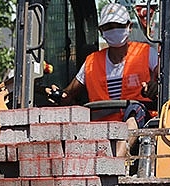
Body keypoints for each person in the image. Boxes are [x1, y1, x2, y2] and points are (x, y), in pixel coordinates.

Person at [48, 3, 159, 156]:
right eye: (108, 27)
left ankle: (115, 165)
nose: (113, 30)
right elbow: (69, 93)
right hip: (101, 127)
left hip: (139, 121)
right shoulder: (92, 62)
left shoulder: (146, 53)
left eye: (118, 25)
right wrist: (59, 95)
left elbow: (163, 80)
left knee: (134, 112)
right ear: (101, 31)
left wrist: (155, 87)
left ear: (129, 26)